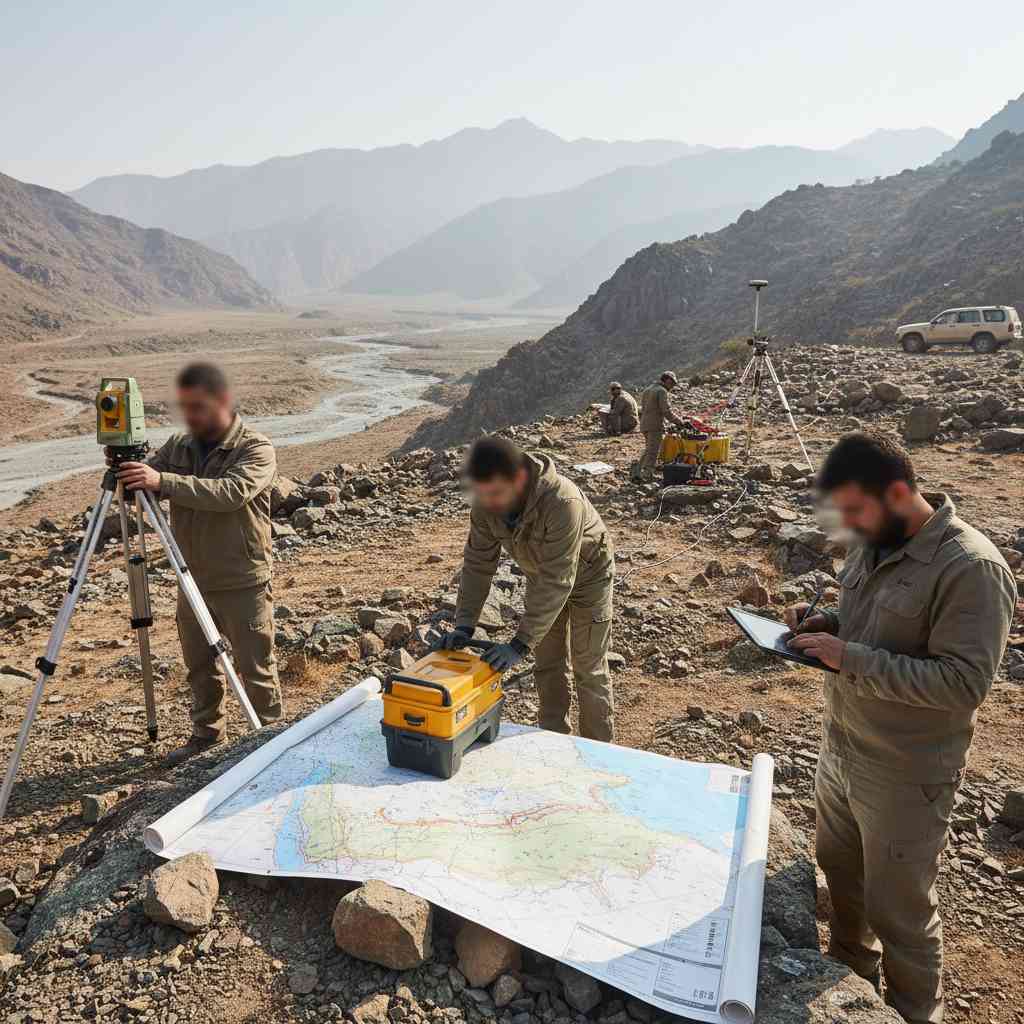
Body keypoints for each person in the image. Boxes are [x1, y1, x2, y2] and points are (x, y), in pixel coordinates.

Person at [784, 432, 1015, 1024]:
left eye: (856, 511)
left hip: (905, 772)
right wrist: (824, 625)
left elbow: (964, 683)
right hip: (842, 748)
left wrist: (849, 657)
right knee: (844, 885)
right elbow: (862, 621)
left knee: (901, 914)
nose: (849, 527)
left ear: (897, 492)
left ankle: (915, 1012)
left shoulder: (971, 567)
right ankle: (852, 992)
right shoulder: (872, 539)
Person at [116, 363, 284, 765]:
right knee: (200, 666)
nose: (191, 416)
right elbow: (144, 486)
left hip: (241, 577)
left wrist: (163, 481)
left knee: (254, 667)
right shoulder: (181, 446)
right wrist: (126, 476)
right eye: (186, 407)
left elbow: (231, 492)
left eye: (199, 406)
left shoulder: (255, 448)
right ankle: (207, 738)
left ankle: (272, 742)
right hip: (192, 577)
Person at [438, 437, 615, 741]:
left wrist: (519, 645)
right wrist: (464, 625)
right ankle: (553, 739)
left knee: (588, 667)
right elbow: (478, 565)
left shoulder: (563, 502)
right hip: (541, 576)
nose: (489, 503)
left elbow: (560, 579)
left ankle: (598, 750)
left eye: (495, 494)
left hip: (589, 577)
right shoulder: (486, 502)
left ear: (519, 479)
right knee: (547, 662)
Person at [637, 371, 686, 479]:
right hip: (655, 426)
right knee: (653, 451)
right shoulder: (662, 391)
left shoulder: (648, 389)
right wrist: (679, 422)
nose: (672, 387)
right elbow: (666, 411)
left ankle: (637, 472)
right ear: (668, 381)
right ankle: (647, 475)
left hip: (645, 424)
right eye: (672, 384)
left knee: (649, 449)